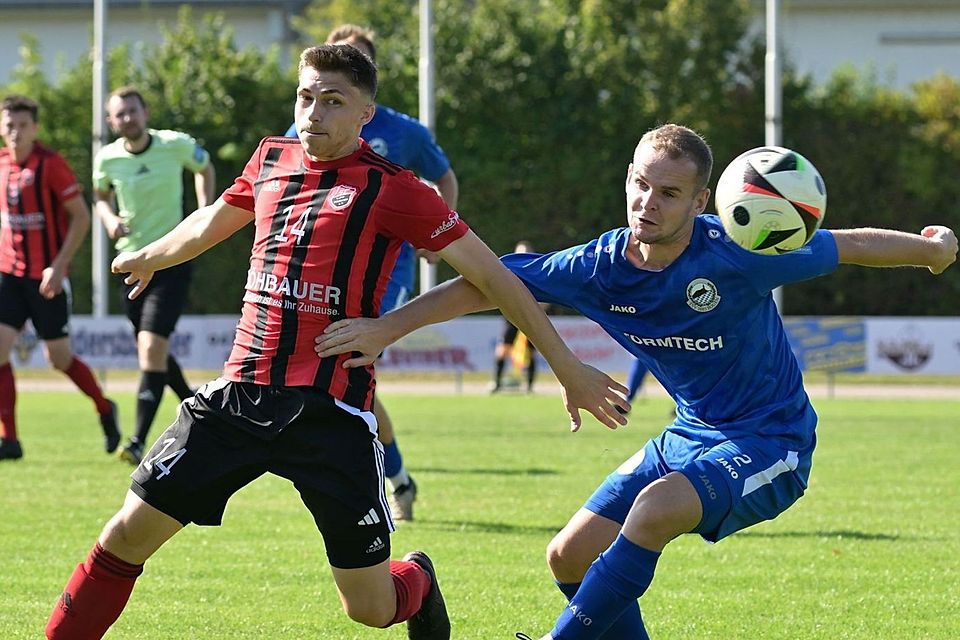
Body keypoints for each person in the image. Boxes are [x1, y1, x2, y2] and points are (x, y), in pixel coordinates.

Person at [44, 45, 627, 640]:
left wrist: (565, 367)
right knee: (123, 536)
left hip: (331, 414)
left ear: (365, 114)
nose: (313, 112)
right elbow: (212, 218)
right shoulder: (271, 157)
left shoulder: (396, 188)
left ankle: (419, 581)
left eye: (332, 101)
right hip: (238, 396)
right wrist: (153, 253)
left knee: (370, 608)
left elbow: (495, 277)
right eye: (305, 97)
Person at [312, 123, 958, 640]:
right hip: (689, 436)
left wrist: (931, 252)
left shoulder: (740, 255)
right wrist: (388, 327)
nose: (649, 203)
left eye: (670, 193)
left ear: (701, 202)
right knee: (568, 556)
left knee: (653, 510)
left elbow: (848, 245)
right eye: (642, 185)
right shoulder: (598, 266)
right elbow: (488, 282)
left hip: (772, 442)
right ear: (628, 179)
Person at [285, 24, 460, 521]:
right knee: (338, 377)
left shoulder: (406, 133)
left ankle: (373, 492)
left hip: (386, 273)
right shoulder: (309, 124)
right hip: (322, 276)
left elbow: (444, 177)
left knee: (349, 366)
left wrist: (438, 234)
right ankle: (391, 481)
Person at [93, 86, 216, 465]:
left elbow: (205, 167)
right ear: (111, 121)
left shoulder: (174, 145)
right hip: (129, 263)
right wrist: (109, 219)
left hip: (170, 260)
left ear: (145, 112)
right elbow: (100, 195)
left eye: (133, 110)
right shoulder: (107, 158)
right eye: (120, 114)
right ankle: (199, 410)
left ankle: (136, 441)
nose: (128, 118)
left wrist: (205, 213)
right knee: (154, 352)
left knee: (150, 349)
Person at [0, 94, 120, 460]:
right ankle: (10, 440)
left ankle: (104, 407)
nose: (16, 132)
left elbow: (81, 217)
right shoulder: (2, 164)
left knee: (58, 358)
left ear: (35, 128)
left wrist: (59, 264)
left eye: (23, 125)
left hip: (46, 278)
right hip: (9, 275)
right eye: (9, 125)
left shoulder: (50, 164)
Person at [491, 240, 540, 394]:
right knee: (503, 350)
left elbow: (544, 298)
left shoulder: (537, 271)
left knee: (531, 352)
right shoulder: (508, 269)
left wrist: (535, 310)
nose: (522, 254)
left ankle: (529, 387)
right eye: (520, 252)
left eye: (525, 252)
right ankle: (497, 384)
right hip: (512, 316)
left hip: (531, 317)